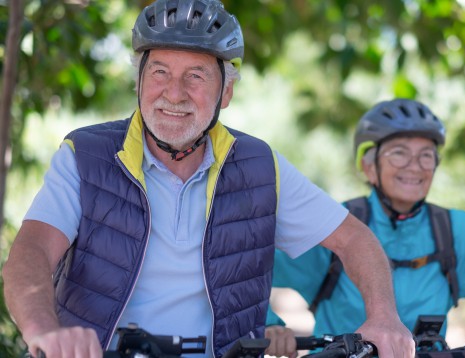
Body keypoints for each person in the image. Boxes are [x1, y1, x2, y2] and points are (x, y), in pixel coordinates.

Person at [1, 1, 416, 358]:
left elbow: (354, 239)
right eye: (160, 71)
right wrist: (44, 330)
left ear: (226, 93)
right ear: (140, 80)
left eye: (196, 76)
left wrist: (383, 317)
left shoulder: (259, 165)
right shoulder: (86, 156)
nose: (175, 93)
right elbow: (32, 250)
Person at [265, 98, 465, 357]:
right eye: (399, 153)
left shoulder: (453, 232)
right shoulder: (337, 226)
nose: (414, 166)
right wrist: (269, 325)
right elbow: (246, 270)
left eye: (426, 155)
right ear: (369, 166)